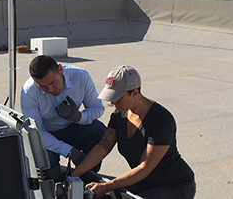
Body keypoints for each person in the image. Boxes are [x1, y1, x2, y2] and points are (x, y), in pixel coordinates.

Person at [72, 65, 196, 199]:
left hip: (174, 186)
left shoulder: (161, 120)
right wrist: (74, 175)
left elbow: (144, 168)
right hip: (142, 182)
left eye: (118, 98)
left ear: (135, 93)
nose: (113, 102)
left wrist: (107, 186)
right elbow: (102, 147)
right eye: (111, 97)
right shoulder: (119, 115)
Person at [21, 55, 107, 171]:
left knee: (99, 130)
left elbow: (97, 108)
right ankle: (54, 181)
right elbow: (37, 132)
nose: (50, 89)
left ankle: (88, 174)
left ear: (60, 70)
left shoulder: (80, 76)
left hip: (73, 127)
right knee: (45, 162)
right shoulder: (29, 91)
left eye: (53, 82)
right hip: (47, 134)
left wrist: (79, 117)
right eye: (43, 86)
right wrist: (69, 151)